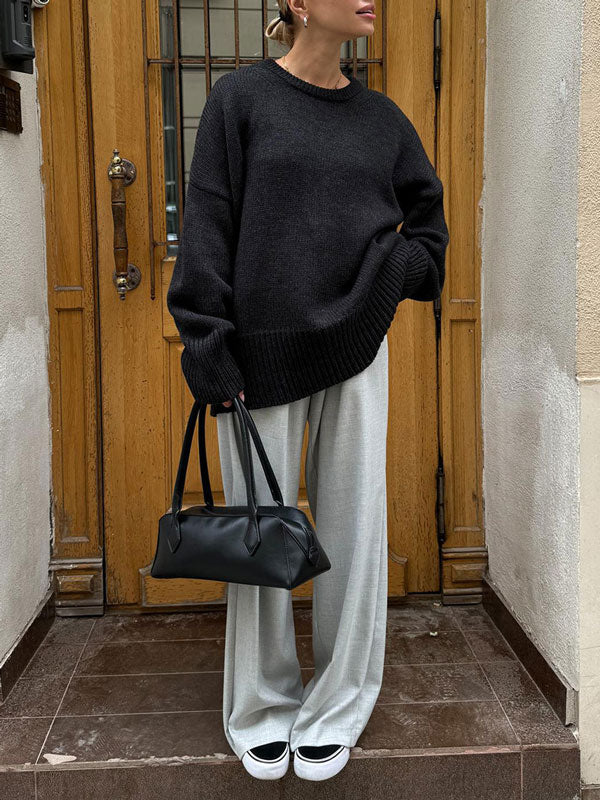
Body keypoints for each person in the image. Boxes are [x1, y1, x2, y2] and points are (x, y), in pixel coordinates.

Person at [166, 0, 449, 783]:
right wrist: (206, 344)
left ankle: (339, 704)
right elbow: (208, 227)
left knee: (356, 533)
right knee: (259, 535)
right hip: (257, 358)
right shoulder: (240, 101)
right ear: (296, 2)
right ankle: (261, 706)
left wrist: (393, 273)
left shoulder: (383, 121)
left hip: (355, 350)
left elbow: (429, 229)